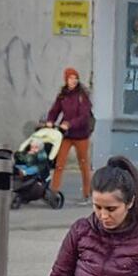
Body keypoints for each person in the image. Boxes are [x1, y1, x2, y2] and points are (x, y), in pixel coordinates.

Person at [46, 67, 94, 204]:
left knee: (84, 164)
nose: (73, 81)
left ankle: (87, 194)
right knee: (59, 163)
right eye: (70, 78)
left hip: (81, 135)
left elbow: (84, 116)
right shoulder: (63, 95)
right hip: (66, 135)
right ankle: (53, 192)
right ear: (66, 80)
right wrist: (50, 120)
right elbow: (55, 110)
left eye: (75, 78)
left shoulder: (82, 95)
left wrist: (69, 124)